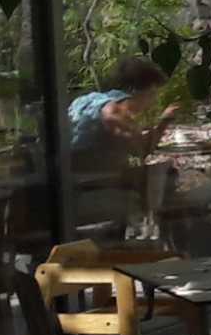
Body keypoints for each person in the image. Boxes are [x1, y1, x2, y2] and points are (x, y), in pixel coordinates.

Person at [66, 56, 176, 230]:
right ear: (136, 91)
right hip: (90, 184)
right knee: (168, 177)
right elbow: (144, 150)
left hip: (73, 176)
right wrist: (165, 120)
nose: (153, 101)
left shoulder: (89, 100)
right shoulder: (115, 112)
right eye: (152, 94)